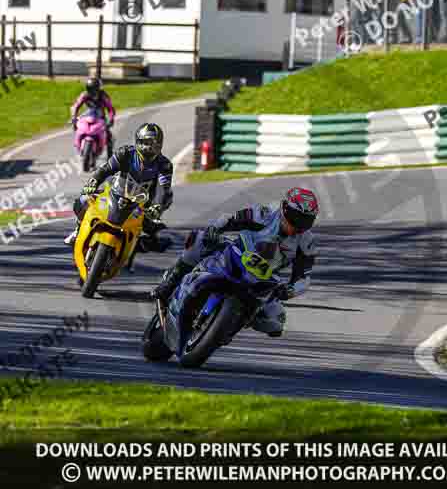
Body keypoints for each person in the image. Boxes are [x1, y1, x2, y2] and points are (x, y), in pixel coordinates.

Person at [152, 187, 320, 338]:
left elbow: (304, 276)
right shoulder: (264, 214)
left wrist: (289, 290)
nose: (299, 224)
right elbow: (230, 219)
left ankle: (226, 329)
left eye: (306, 220)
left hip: (263, 278)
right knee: (199, 239)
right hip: (237, 253)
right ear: (284, 209)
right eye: (296, 217)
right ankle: (170, 282)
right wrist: (215, 229)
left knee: (275, 322)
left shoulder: (306, 242)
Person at [63, 122, 173, 251]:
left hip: (142, 205)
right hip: (116, 192)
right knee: (83, 200)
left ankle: (137, 244)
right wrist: (93, 182)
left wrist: (157, 206)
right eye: (145, 142)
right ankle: (78, 228)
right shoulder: (125, 153)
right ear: (138, 141)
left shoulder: (165, 165)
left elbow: (163, 189)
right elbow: (105, 169)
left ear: (160, 144)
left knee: (163, 235)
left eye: (152, 143)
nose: (148, 147)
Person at [71, 78, 115, 159]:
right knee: (76, 127)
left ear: (98, 88)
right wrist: (74, 117)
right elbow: (76, 106)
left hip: (100, 117)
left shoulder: (103, 96)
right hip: (88, 116)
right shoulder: (84, 95)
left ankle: (110, 156)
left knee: (108, 135)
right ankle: (78, 144)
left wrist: (111, 119)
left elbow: (110, 109)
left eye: (95, 89)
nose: (93, 92)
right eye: (91, 89)